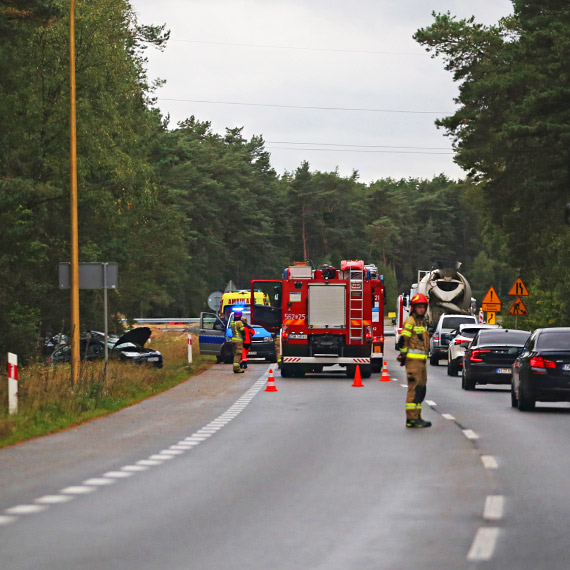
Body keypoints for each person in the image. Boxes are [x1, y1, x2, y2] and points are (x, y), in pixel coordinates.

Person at [397, 293, 432, 428]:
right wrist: (403, 356)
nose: (421, 309)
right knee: (414, 389)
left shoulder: (422, 323)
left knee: (421, 390)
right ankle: (411, 418)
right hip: (413, 363)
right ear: (414, 308)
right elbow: (402, 341)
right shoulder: (410, 321)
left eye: (423, 307)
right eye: (419, 307)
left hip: (422, 363)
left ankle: (417, 416)